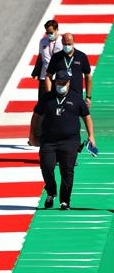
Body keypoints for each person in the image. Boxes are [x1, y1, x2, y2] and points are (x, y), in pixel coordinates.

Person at [28, 70, 95, 210]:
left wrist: (91, 136)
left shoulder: (77, 99)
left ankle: (65, 201)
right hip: (49, 141)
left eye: (64, 83)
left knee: (67, 170)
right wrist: (32, 135)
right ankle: (51, 191)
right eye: (59, 83)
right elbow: (36, 116)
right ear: (55, 82)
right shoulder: (47, 98)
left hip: (70, 141)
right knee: (46, 167)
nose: (61, 86)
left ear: (69, 83)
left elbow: (86, 117)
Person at [45, 33, 92, 108]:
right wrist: (48, 94)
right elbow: (48, 76)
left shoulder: (81, 56)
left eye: (69, 44)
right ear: (62, 42)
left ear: (74, 42)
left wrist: (88, 97)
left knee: (75, 118)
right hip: (59, 94)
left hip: (76, 95)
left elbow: (88, 76)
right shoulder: (56, 57)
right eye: (65, 44)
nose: (67, 46)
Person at [31, 20, 63, 99]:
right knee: (42, 102)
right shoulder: (43, 42)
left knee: (57, 101)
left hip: (58, 77)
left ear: (56, 30)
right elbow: (40, 56)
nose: (49, 35)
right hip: (44, 76)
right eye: (47, 33)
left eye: (51, 32)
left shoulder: (62, 42)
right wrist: (36, 71)